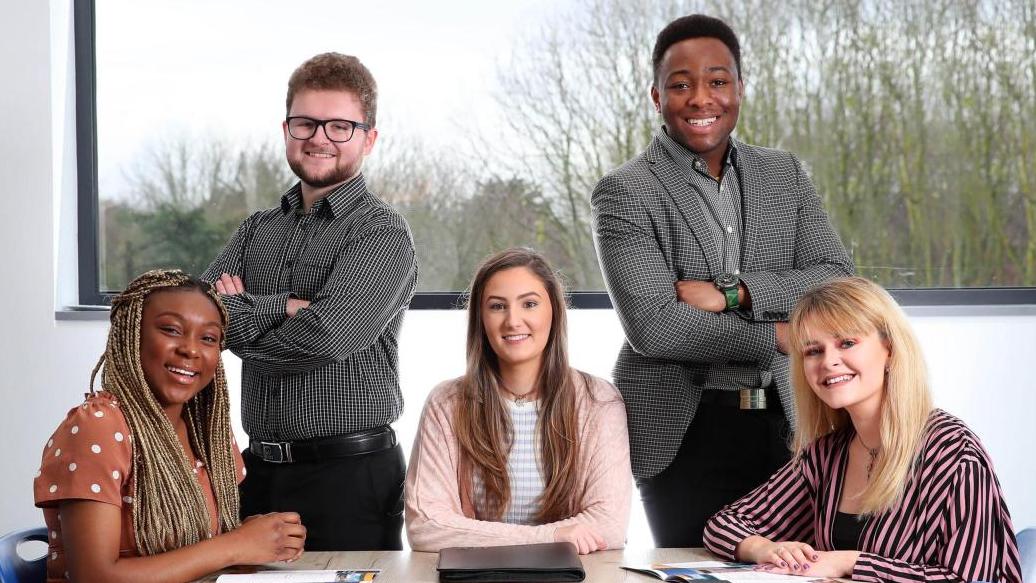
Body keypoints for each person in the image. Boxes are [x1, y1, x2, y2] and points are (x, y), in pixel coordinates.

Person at [590, 14, 854, 546]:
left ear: (739, 88)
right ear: (655, 95)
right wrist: (777, 334)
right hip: (682, 429)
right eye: (680, 84)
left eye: (717, 81)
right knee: (694, 571)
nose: (700, 98)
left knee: (797, 568)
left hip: (792, 417)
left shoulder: (785, 175)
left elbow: (835, 280)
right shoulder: (624, 192)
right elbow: (655, 327)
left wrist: (734, 292)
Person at [202, 53, 418, 551]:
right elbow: (201, 322)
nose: (319, 137)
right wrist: (287, 307)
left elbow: (326, 337)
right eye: (306, 122)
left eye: (340, 126)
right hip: (255, 473)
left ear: (368, 139)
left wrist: (244, 319)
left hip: (351, 477)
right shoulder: (255, 230)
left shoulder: (382, 233)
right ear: (286, 130)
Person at [704, 277, 1022, 582]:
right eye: (813, 351)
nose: (829, 362)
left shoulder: (954, 455)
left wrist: (849, 562)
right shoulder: (827, 454)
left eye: (847, 343)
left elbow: (973, 579)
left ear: (890, 350)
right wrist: (766, 548)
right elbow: (724, 525)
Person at [33, 270, 306, 583]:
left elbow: (204, 547)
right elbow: (95, 577)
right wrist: (236, 545)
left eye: (208, 338)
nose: (190, 349)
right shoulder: (99, 426)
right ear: (132, 335)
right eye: (171, 330)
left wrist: (255, 538)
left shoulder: (208, 431)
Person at [405, 248, 631, 554]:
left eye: (530, 304)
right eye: (498, 306)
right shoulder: (446, 403)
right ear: (480, 319)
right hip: (479, 575)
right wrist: (552, 537)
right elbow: (426, 526)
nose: (513, 320)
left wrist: (479, 537)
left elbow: (609, 526)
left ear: (554, 311)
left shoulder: (598, 401)